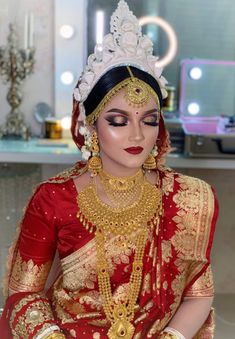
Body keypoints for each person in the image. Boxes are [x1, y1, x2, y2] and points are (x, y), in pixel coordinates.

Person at [0, 1, 218, 338]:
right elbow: (23, 294)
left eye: (149, 120)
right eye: (117, 121)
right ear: (92, 125)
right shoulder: (54, 198)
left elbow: (198, 294)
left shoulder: (187, 199)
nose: (136, 135)